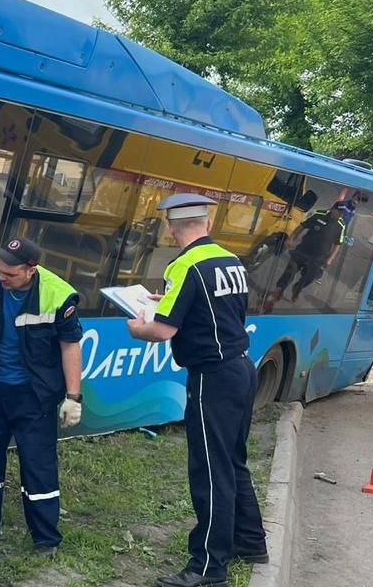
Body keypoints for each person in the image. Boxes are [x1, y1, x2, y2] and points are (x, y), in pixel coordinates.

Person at [127, 194, 267, 587]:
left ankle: (208, 567)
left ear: (172, 228)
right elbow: (222, 313)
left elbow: (162, 330)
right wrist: (168, 303)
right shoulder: (231, 260)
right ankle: (251, 541)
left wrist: (137, 328)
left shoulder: (184, 265)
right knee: (233, 461)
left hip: (212, 377)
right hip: (241, 368)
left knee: (209, 469)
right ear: (207, 224)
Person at [0, 236, 84, 558]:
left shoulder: (58, 295)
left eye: (10, 274)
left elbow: (70, 345)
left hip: (33, 395)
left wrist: (73, 397)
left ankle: (45, 539)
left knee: (38, 466)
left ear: (31, 270)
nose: (1, 277)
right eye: (0, 270)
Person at [262, 200, 351, 311]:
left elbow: (338, 244)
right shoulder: (319, 214)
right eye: (339, 211)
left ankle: (298, 287)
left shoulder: (341, 225)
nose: (341, 214)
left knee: (309, 277)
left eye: (343, 212)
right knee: (289, 272)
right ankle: (276, 294)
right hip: (303, 251)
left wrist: (330, 259)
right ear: (333, 209)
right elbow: (302, 226)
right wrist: (291, 238)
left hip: (318, 257)